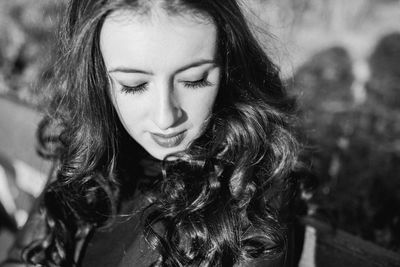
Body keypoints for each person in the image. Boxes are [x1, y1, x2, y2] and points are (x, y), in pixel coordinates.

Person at [1, 0, 306, 266]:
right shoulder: (92, 149)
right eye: (134, 85)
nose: (166, 118)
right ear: (97, 80)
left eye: (194, 80)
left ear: (228, 65)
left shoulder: (249, 195)